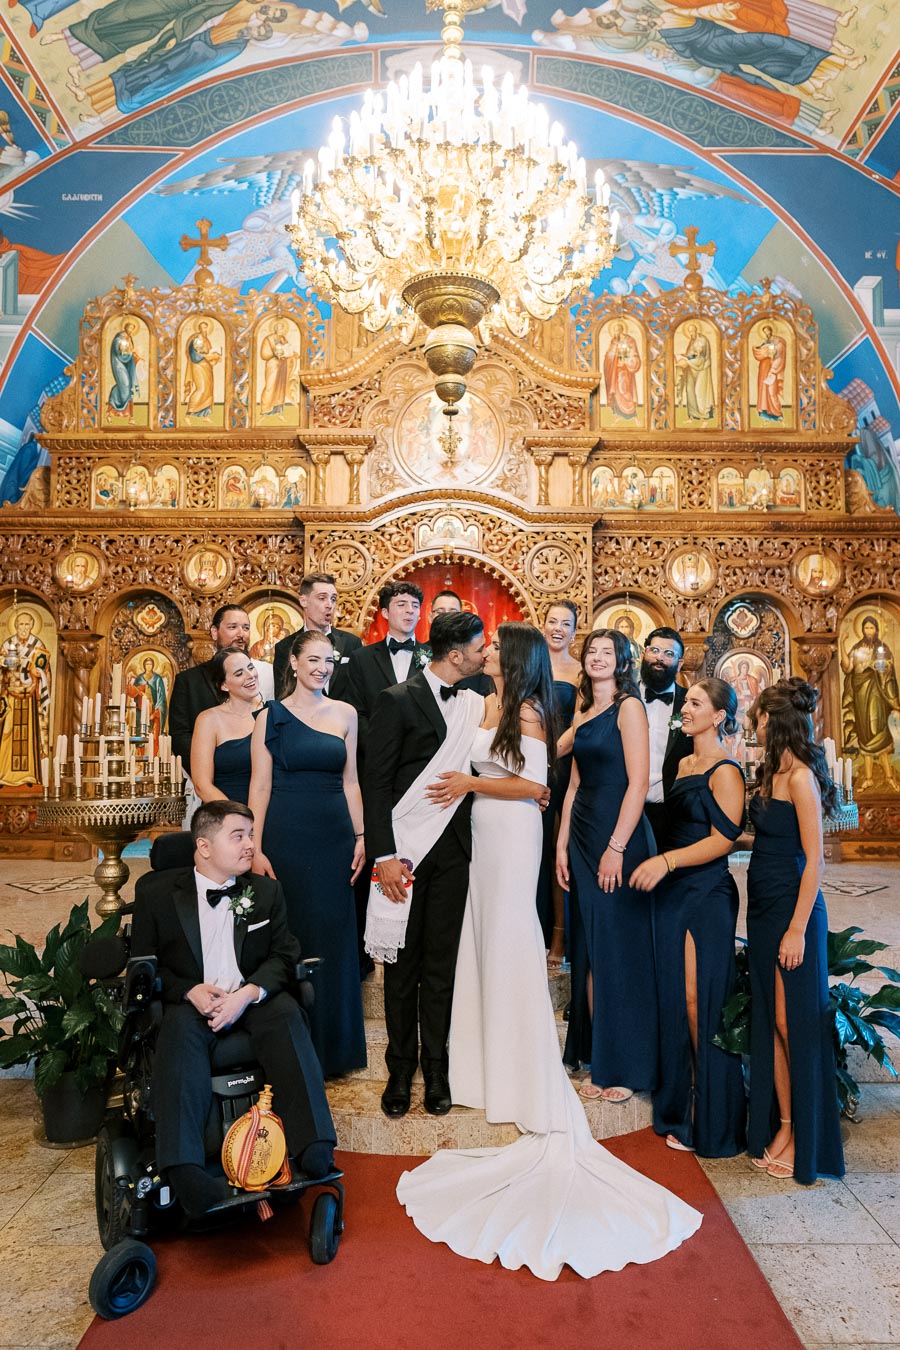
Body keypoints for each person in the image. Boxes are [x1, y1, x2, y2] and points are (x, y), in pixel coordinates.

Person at [395, 624, 702, 1280]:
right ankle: (481, 1066)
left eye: (496, 649)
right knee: (482, 942)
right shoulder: (485, 702)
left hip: (511, 831)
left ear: (516, 659)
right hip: (481, 833)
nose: (486, 654)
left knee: (511, 937)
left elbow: (534, 789)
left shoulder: (531, 710)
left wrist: (471, 786)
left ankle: (522, 1072)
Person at [129, 800, 337, 1218]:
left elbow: (284, 955)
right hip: (194, 1001)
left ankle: (313, 1146)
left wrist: (248, 993)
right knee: (178, 1032)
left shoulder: (265, 891)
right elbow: (145, 967)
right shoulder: (156, 895)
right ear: (204, 846)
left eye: (251, 835)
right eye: (238, 836)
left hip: (248, 997)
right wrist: (189, 991)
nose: (249, 845)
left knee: (286, 1015)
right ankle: (184, 1168)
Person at [362, 611, 487, 1118]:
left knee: (441, 967)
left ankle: (436, 1068)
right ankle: (399, 1069)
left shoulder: (477, 705)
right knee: (402, 968)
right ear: (456, 655)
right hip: (405, 855)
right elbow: (377, 784)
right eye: (479, 647)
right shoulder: (395, 700)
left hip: (454, 851)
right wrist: (385, 857)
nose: (484, 654)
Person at [631, 678, 747, 1157]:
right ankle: (680, 1102)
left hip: (706, 891)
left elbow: (725, 839)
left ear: (719, 715)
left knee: (702, 1000)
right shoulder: (682, 763)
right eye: (688, 702)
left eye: (697, 703)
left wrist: (667, 862)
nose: (687, 709)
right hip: (672, 891)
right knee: (676, 997)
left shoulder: (727, 770)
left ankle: (714, 1115)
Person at [249, 631, 366, 1078]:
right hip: (286, 834)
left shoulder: (347, 713)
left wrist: (360, 835)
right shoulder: (269, 716)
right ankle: (289, 1048)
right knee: (289, 935)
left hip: (335, 837)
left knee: (333, 938)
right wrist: (255, 846)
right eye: (314, 659)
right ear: (294, 663)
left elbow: (351, 781)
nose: (322, 667)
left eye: (329, 661)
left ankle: (334, 1050)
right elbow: (259, 786)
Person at [745, 679, 844, 1184]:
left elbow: (814, 861)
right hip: (761, 910)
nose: (753, 722)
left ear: (775, 720)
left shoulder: (801, 778)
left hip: (793, 911)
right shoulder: (769, 773)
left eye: (759, 715)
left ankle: (807, 1137)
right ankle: (783, 1126)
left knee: (792, 1025)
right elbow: (760, 836)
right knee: (772, 1026)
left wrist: (798, 930)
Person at [557, 628, 657, 1103]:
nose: (598, 657)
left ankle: (627, 1064)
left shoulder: (629, 708)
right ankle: (601, 1056)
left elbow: (638, 783)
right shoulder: (583, 711)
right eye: (591, 651)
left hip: (619, 834)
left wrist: (616, 847)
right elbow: (572, 785)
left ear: (622, 662)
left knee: (618, 949)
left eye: (607, 652)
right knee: (593, 948)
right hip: (581, 834)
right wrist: (560, 846)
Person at [169, 603, 274, 782]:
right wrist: (211, 769)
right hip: (207, 777)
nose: (241, 634)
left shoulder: (265, 673)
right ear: (214, 632)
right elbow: (180, 735)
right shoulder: (189, 680)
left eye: (246, 628)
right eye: (233, 627)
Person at [538, 601, 581, 968]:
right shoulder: (530, 663)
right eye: (552, 621)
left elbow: (580, 721)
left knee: (556, 848)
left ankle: (559, 933)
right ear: (542, 624)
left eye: (565, 623)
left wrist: (550, 753)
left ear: (574, 631)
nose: (558, 628)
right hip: (525, 760)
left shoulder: (581, 670)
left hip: (561, 764)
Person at [345, 580, 429, 747]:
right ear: (385, 612)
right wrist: (376, 746)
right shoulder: (362, 658)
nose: (410, 610)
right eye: (401, 604)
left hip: (422, 756)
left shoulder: (434, 657)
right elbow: (356, 711)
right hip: (375, 753)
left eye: (415, 605)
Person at [639, 626, 692, 851]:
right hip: (626, 807)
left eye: (669, 654)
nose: (660, 658)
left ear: (679, 664)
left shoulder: (689, 703)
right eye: (655, 650)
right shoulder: (623, 697)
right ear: (644, 654)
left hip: (670, 812)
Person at [190, 647, 264, 805]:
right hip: (226, 815)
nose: (250, 675)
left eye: (250, 667)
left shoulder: (271, 713)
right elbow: (202, 785)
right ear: (224, 685)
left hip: (270, 814)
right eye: (239, 673)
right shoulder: (209, 720)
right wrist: (239, 818)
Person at [272, 573, 362, 701]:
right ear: (304, 601)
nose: (329, 605)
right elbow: (282, 695)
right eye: (322, 598)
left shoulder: (352, 643)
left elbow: (358, 694)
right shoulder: (285, 647)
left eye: (333, 599)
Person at [840, 616, 900, 792]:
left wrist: (894, 701)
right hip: (860, 695)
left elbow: (889, 674)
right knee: (865, 734)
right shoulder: (856, 648)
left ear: (876, 630)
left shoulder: (883, 649)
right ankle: (868, 779)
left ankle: (889, 777)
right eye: (866, 628)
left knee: (879, 732)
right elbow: (847, 668)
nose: (868, 631)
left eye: (871, 628)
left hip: (876, 695)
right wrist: (842, 644)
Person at [0, 609, 52, 789]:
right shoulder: (7, 645)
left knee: (29, 736)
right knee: (7, 732)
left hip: (30, 700)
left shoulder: (38, 645)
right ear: (15, 626)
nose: (23, 628)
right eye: (20, 624)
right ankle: (4, 773)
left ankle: (29, 775)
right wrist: (4, 664)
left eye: (26, 624)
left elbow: (44, 670)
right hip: (11, 696)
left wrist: (38, 674)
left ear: (31, 626)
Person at [426, 589, 494, 696]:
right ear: (430, 617)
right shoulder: (419, 653)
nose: (447, 617)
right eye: (440, 612)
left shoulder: (479, 660)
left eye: (453, 612)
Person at [125, 655, 168, 756]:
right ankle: (141, 758)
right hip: (141, 712)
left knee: (153, 735)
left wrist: (156, 711)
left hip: (154, 711)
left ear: (153, 665)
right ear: (144, 665)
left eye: (150, 664)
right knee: (140, 733)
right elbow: (133, 693)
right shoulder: (139, 679)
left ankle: (153, 757)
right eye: (147, 664)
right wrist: (137, 691)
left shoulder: (158, 679)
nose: (148, 666)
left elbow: (161, 696)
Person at [753, 324, 787, 422]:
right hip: (763, 368)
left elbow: (779, 356)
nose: (766, 333)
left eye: (767, 331)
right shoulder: (766, 342)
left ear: (771, 330)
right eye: (765, 332)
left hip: (772, 369)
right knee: (762, 389)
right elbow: (761, 351)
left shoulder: (778, 341)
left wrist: (773, 370)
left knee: (772, 391)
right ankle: (764, 410)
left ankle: (777, 413)